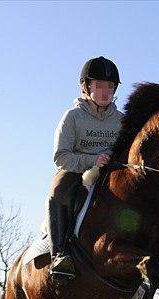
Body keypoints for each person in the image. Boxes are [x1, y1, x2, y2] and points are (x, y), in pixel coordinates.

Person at [48, 56, 124, 279]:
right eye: (99, 85)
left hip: (111, 174)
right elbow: (61, 157)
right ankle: (60, 254)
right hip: (75, 173)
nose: (105, 92)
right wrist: (92, 160)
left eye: (110, 86)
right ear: (85, 87)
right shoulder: (72, 117)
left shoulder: (121, 120)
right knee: (57, 193)